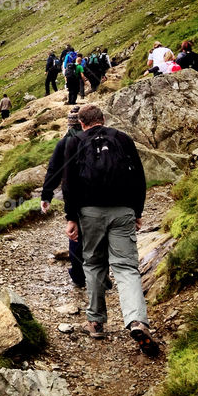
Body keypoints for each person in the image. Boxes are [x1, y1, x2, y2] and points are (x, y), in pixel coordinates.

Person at [62, 104, 158, 356]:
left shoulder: (75, 141)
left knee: (93, 263)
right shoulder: (122, 138)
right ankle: (137, 321)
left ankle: (95, 322)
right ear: (103, 120)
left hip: (89, 212)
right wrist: (137, 211)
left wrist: (71, 217)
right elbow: (139, 176)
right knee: (126, 267)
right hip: (123, 210)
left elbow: (69, 181)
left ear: (82, 123)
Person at [41, 106, 86, 287]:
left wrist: (46, 195)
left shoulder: (64, 143)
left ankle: (78, 275)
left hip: (74, 195)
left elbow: (53, 170)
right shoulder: (94, 139)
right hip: (99, 195)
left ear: (69, 124)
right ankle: (100, 274)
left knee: (75, 235)